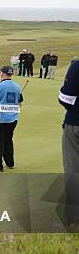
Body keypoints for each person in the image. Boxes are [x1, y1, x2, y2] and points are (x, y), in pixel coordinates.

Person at [59, 59, 79, 229]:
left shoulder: (77, 66)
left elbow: (65, 98)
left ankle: (73, 218)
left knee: (73, 170)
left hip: (76, 124)